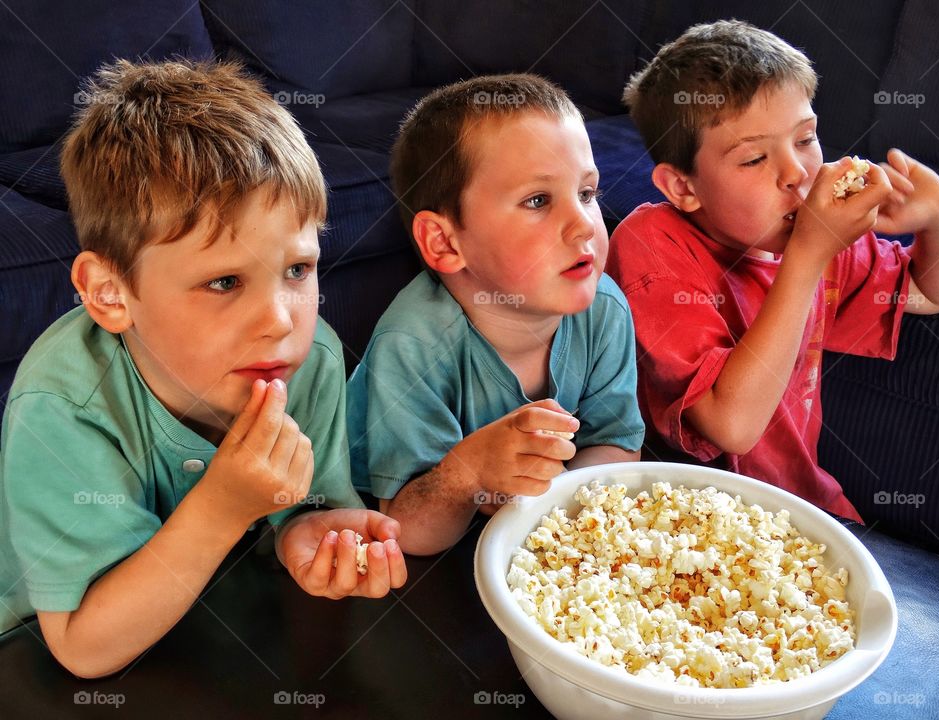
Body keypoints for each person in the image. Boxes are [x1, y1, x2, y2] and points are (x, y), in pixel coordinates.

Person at [0, 59, 406, 677]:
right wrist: (222, 507)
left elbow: (305, 508)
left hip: (210, 621)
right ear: (110, 293)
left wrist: (314, 536)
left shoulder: (309, 356)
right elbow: (85, 649)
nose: (280, 320)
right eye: (224, 281)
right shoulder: (62, 408)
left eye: (297, 270)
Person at [607, 20, 939, 520]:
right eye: (754, 159)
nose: (797, 173)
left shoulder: (817, 241)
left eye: (806, 138)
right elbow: (730, 426)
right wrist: (808, 258)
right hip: (679, 518)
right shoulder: (652, 245)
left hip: (798, 507)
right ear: (683, 188)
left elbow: (930, 292)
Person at [348, 74, 646, 555]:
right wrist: (470, 472)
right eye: (537, 200)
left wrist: (539, 495)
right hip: (406, 527)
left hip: (535, 533)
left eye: (587, 194)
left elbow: (616, 447)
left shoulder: (604, 307)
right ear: (445, 243)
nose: (584, 226)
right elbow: (412, 533)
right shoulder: (413, 344)